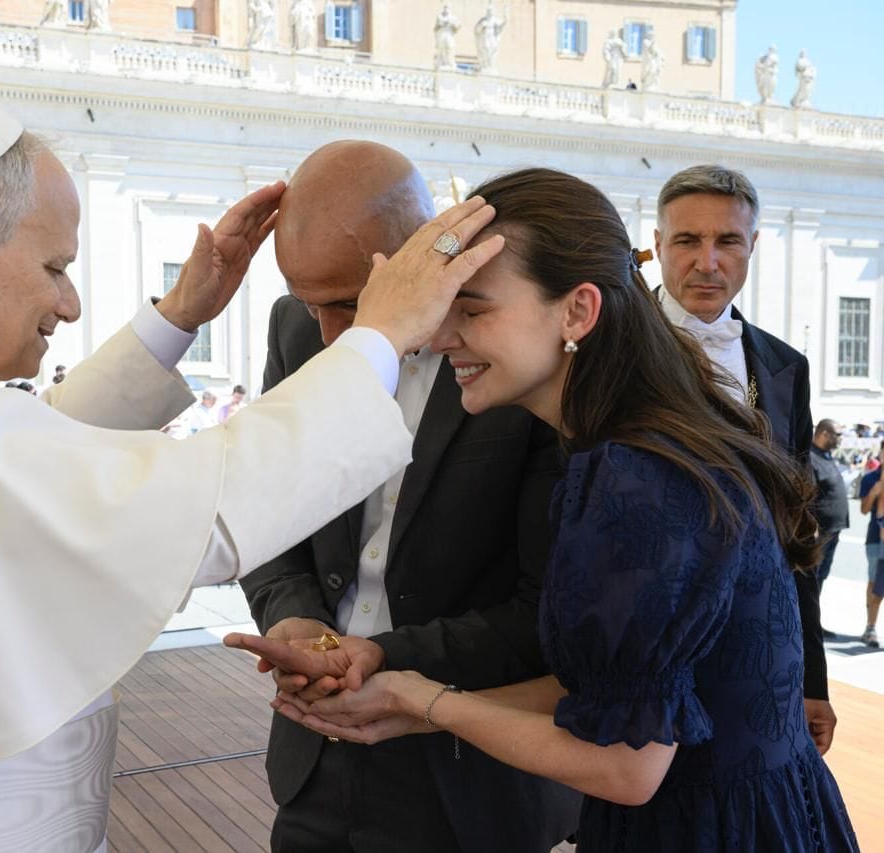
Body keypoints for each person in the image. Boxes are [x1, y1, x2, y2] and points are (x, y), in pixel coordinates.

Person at [0, 98, 505, 852]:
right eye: (54, 266)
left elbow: (35, 454)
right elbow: (217, 495)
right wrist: (380, 332)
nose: (67, 304)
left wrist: (178, 316)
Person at [228, 167, 859, 851]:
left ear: (578, 312)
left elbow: (628, 763)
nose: (440, 337)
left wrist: (421, 700)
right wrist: (412, 700)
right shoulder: (629, 444)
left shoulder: (633, 477)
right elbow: (605, 687)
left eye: (472, 310)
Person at [240, 141, 579, 852]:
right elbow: (267, 512)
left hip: (475, 779)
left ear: (423, 256)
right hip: (312, 760)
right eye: (309, 304)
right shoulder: (296, 327)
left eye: (345, 305)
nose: (333, 337)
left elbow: (544, 608)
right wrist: (298, 620)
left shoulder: (524, 359)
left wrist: (379, 659)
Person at [652, 164, 835, 752]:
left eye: (727, 241)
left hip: (757, 659)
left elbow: (797, 529)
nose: (708, 262)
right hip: (640, 650)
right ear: (657, 245)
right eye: (687, 240)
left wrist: (812, 677)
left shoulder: (786, 367)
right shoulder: (599, 350)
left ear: (752, 246)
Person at [809, 420, 849, 596]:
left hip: (833, 530)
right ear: (824, 434)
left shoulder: (826, 455)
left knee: (822, 575)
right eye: (838, 434)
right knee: (813, 576)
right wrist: (813, 527)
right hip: (821, 532)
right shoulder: (810, 457)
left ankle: (814, 619)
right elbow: (807, 496)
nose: (840, 439)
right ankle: (808, 621)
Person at [860, 440, 884, 648]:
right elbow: (864, 510)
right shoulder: (870, 479)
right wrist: (874, 493)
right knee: (874, 582)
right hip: (876, 538)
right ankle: (870, 626)